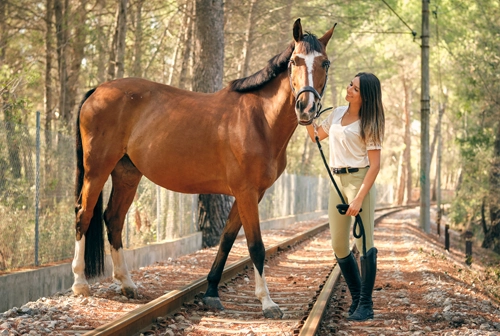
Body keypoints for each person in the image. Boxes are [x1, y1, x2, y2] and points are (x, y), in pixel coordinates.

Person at [306, 72, 385, 321]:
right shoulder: (338, 113)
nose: (349, 89)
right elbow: (316, 136)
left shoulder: (369, 122)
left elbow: (375, 165)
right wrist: (306, 115)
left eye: (356, 88)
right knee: (339, 245)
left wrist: (360, 197)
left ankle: (366, 304)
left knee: (364, 244)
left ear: (366, 96)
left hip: (359, 181)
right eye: (350, 84)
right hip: (336, 181)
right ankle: (356, 297)